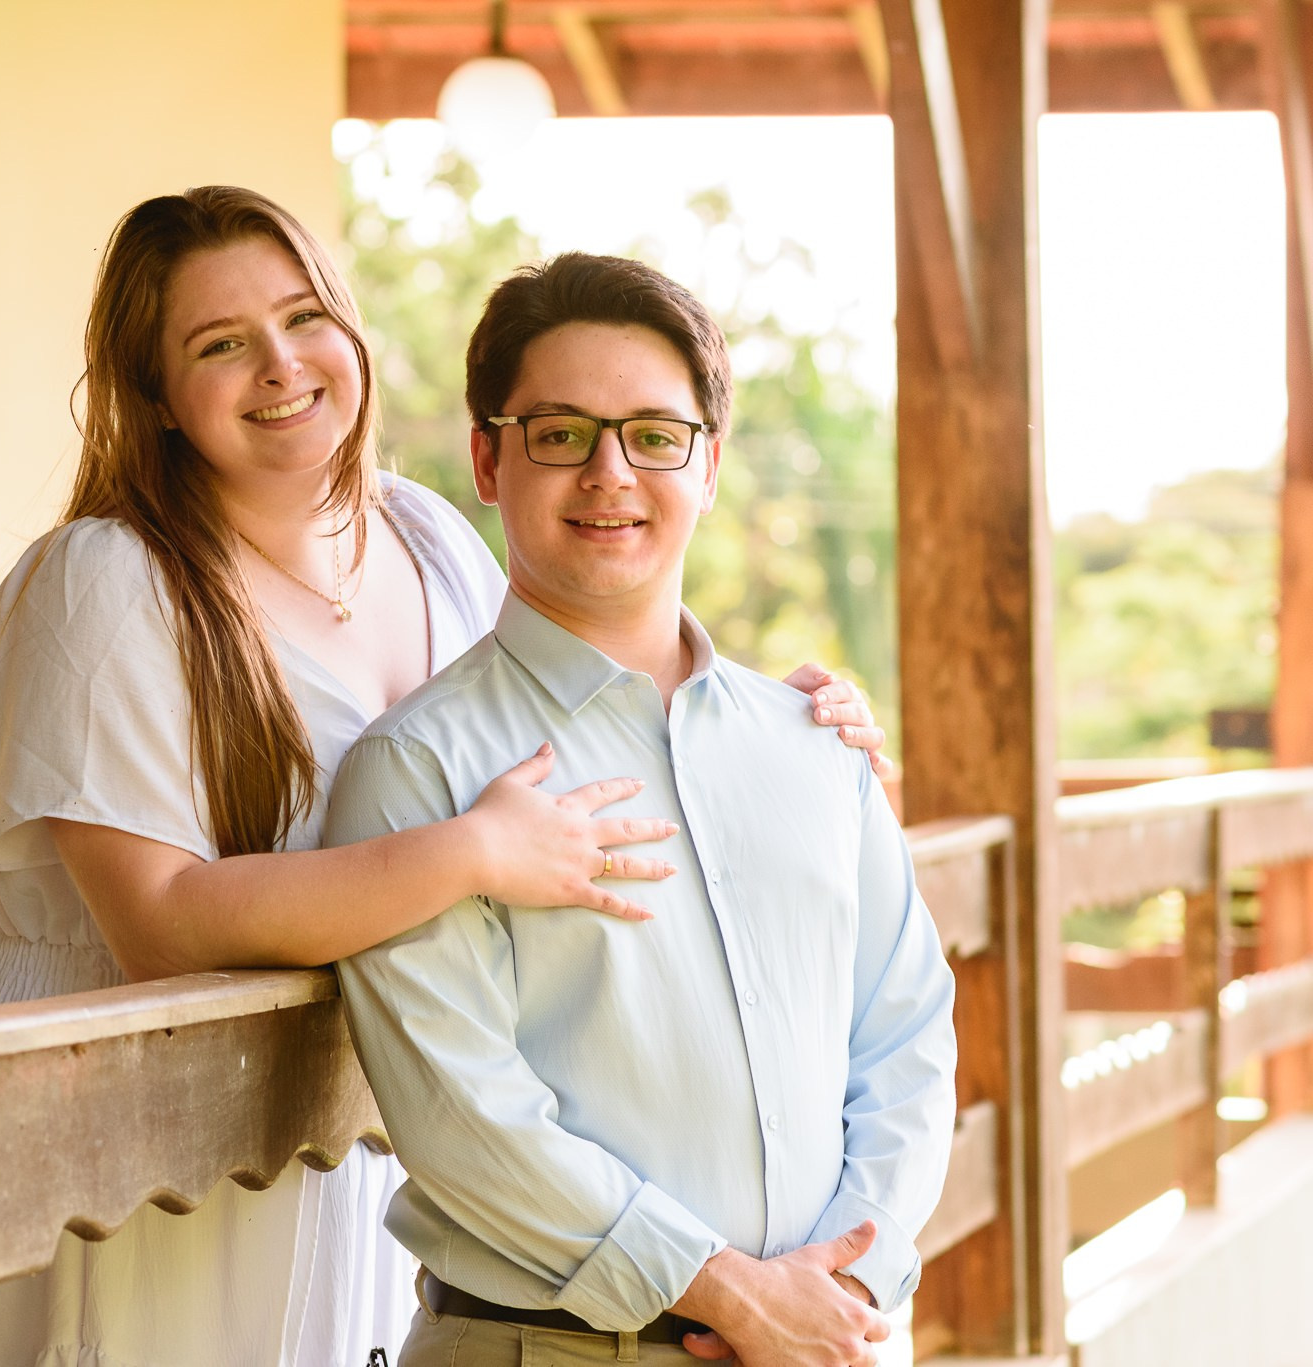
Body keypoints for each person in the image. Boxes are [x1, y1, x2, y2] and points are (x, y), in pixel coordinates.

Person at [0, 189, 890, 1367]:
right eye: (219, 344)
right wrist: (464, 853)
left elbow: (586, 722)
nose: (280, 366)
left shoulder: (422, 535)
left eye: (304, 316)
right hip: (142, 1152)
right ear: (151, 390)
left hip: (356, 1118)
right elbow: (156, 928)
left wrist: (787, 726)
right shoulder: (102, 582)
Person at [326, 253, 956, 1367]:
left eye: (653, 435)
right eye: (560, 432)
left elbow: (902, 1030)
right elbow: (464, 1115)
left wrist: (847, 1274)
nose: (609, 472)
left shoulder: (814, 746)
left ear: (706, 464)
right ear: (487, 456)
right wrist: (729, 1292)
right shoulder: (417, 770)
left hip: (829, 1341)